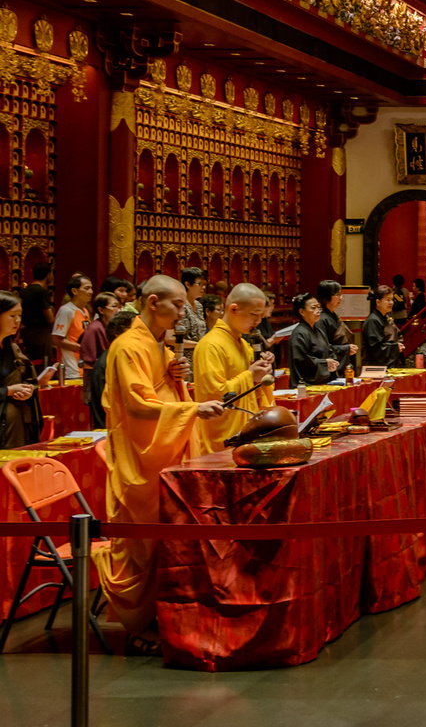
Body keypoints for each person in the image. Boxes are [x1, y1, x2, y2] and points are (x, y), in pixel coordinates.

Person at [94, 275, 226, 653]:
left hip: (164, 452)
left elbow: (160, 392)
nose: (185, 313)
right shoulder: (127, 346)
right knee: (144, 545)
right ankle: (139, 626)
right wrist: (193, 407)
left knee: (171, 542)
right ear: (153, 302)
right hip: (142, 457)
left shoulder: (158, 346)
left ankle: (171, 614)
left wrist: (176, 380)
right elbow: (136, 405)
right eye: (179, 305)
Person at [191, 284, 276, 455]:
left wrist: (260, 374)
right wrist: (250, 375)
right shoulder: (210, 345)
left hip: (245, 433)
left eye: (261, 316)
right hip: (221, 438)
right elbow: (215, 396)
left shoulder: (244, 344)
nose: (258, 321)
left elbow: (253, 390)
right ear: (234, 309)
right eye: (254, 315)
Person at [0, 291, 40, 447]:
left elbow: (27, 378)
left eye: (20, 316)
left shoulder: (13, 348)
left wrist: (28, 390)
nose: (18, 321)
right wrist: (8, 391)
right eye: (12, 316)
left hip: (17, 423)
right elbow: (9, 387)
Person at [86, 311, 134, 431]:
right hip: (113, 430)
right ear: (118, 334)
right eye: (135, 330)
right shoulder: (111, 360)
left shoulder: (118, 356)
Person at [287, 292, 339, 385]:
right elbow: (301, 360)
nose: (318, 311)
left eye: (318, 307)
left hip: (323, 381)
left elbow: (329, 349)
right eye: (313, 308)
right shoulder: (299, 333)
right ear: (302, 311)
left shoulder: (319, 331)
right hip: (305, 384)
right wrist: (324, 363)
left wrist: (332, 363)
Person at [50, 273, 93, 380]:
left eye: (91, 288)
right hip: (71, 368)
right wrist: (83, 348)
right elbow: (56, 339)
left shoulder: (85, 310)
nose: (91, 292)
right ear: (74, 291)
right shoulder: (66, 310)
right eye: (87, 288)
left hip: (85, 365)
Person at [315, 280, 358, 375]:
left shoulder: (334, 316)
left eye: (341, 294)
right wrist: (346, 349)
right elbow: (323, 347)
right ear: (327, 295)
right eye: (338, 295)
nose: (341, 298)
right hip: (331, 367)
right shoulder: (321, 319)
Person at [19, 260, 53, 363]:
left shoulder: (24, 291)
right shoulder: (42, 291)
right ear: (48, 275)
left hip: (27, 333)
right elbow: (50, 318)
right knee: (44, 365)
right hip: (41, 335)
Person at [363, 285, 404, 370]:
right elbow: (375, 348)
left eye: (392, 299)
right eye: (387, 300)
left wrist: (398, 345)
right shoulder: (373, 320)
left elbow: (398, 335)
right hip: (376, 368)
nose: (391, 303)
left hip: (390, 365)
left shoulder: (387, 318)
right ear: (378, 302)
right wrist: (395, 347)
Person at [172, 267, 209, 347]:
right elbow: (170, 339)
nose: (203, 287)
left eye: (204, 284)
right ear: (188, 284)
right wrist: (199, 345)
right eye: (200, 284)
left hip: (198, 353)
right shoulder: (179, 305)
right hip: (183, 355)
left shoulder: (199, 305)